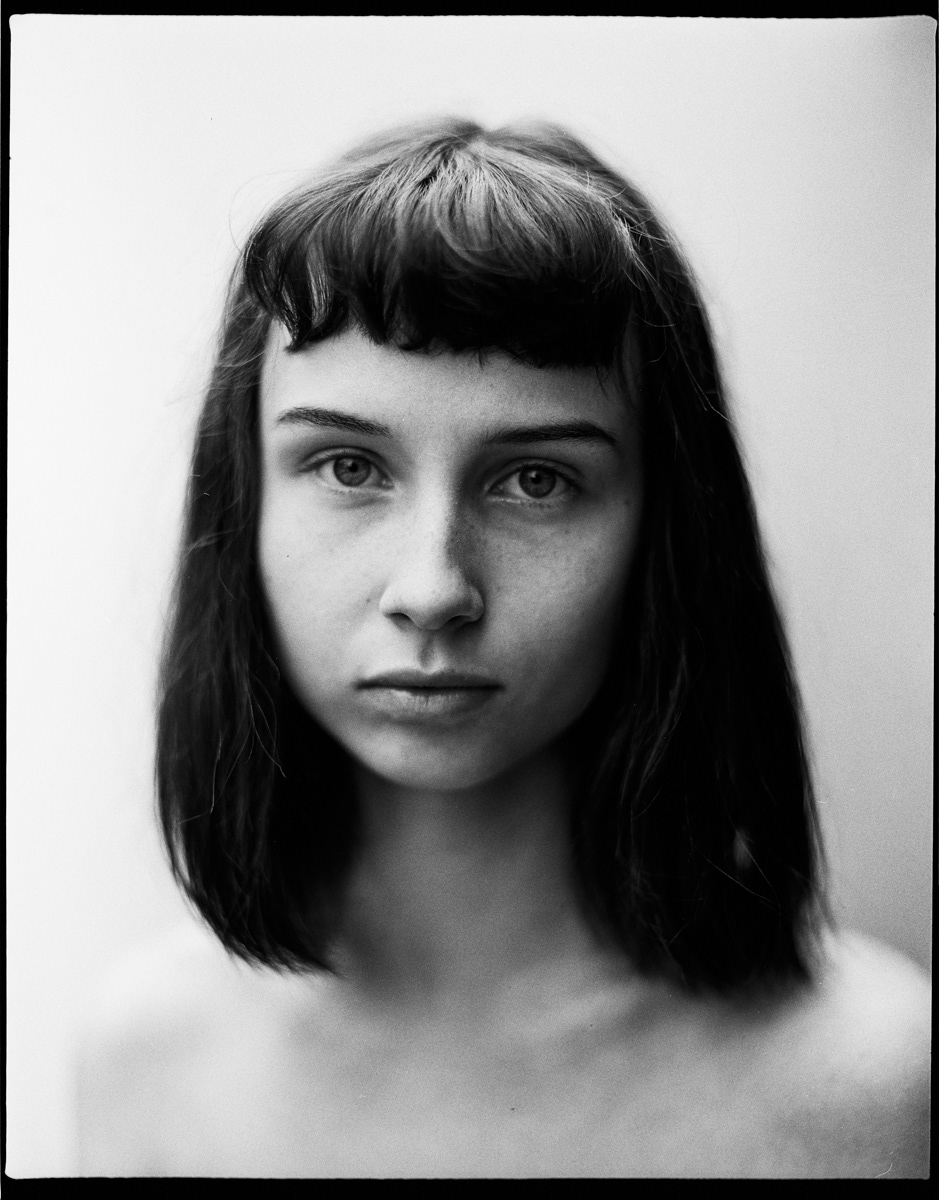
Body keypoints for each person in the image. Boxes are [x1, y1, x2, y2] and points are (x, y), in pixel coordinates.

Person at [76, 118, 930, 1178]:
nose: (433, 589)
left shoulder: (868, 1083)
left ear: (665, 534)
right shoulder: (150, 1063)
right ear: (242, 505)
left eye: (536, 479)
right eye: (348, 467)